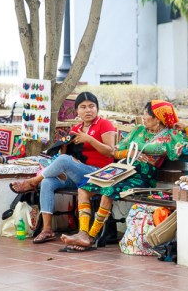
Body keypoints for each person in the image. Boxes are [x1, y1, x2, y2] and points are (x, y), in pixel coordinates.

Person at [60, 100, 188, 252]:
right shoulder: (138, 130)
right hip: (123, 170)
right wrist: (130, 153)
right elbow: (115, 151)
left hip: (143, 176)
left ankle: (90, 237)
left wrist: (187, 129)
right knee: (83, 189)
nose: (143, 117)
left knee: (107, 192)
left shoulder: (170, 136)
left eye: (146, 114)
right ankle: (83, 233)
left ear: (157, 118)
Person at [9, 92, 116, 244]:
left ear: (97, 108)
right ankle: (47, 229)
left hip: (99, 173)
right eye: (83, 107)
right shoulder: (76, 128)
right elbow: (66, 159)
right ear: (77, 110)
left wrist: (89, 139)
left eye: (92, 106)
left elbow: (111, 151)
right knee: (48, 182)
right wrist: (64, 147)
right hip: (80, 175)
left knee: (62, 162)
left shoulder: (104, 124)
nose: (88, 110)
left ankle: (33, 182)